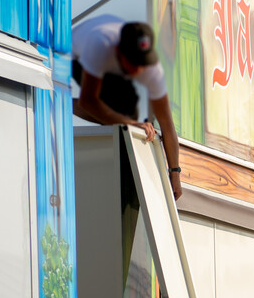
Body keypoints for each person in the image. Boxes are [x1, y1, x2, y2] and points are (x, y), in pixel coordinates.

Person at [72, 14, 182, 199]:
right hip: (71, 54)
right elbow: (88, 101)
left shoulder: (152, 69)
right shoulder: (100, 46)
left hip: (109, 57)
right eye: (133, 63)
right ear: (119, 52)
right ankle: (63, 101)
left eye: (142, 64)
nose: (139, 70)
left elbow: (167, 123)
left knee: (130, 110)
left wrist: (175, 174)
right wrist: (130, 123)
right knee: (124, 112)